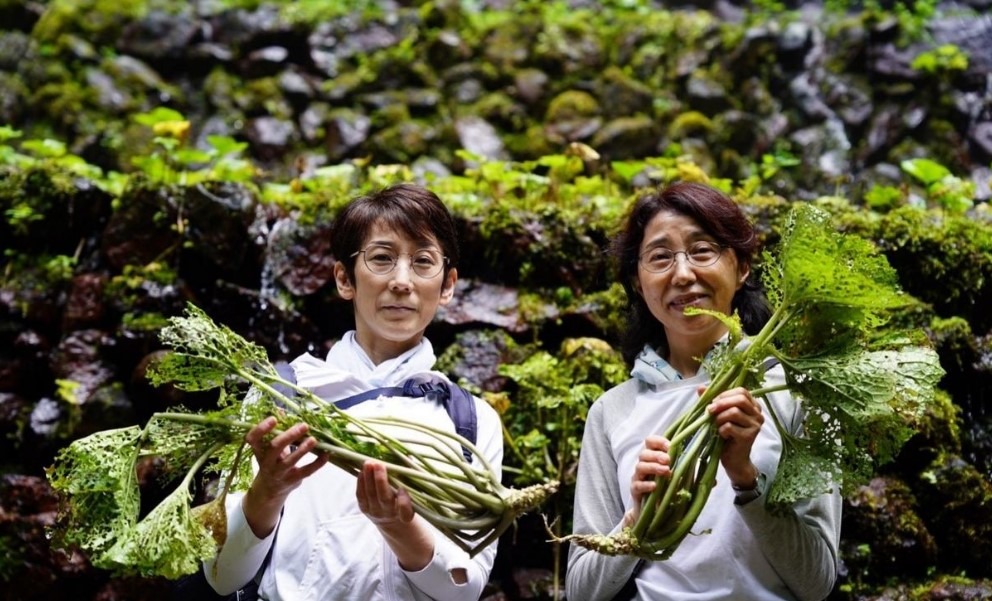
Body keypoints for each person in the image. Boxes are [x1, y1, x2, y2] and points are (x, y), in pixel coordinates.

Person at [202, 183, 504, 601]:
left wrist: (400, 528)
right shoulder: (280, 396)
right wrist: (266, 492)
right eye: (381, 258)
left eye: (423, 262)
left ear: (448, 285)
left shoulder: (469, 419)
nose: (401, 281)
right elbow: (221, 574)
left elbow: (464, 589)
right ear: (344, 277)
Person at [565, 182, 842, 601]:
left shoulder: (797, 393)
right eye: (660, 257)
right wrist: (637, 520)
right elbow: (582, 590)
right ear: (638, 282)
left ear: (742, 266)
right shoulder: (612, 411)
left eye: (702, 250)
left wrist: (746, 479)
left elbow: (818, 582)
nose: (682, 274)